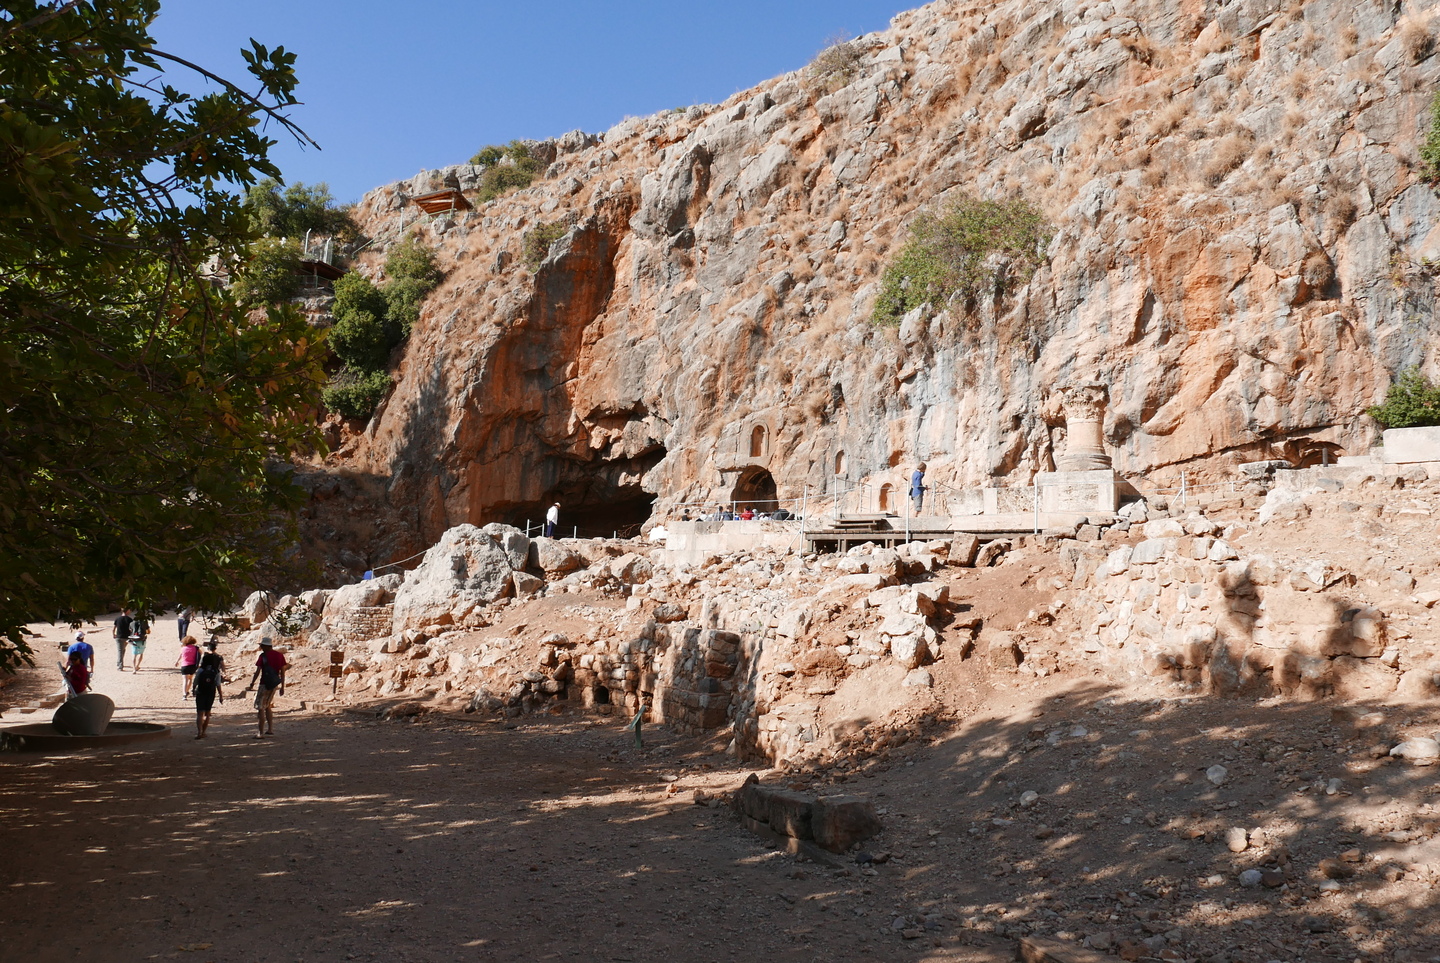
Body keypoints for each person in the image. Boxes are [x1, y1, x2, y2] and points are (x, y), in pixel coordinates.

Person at [245, 638, 287, 738]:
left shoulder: (263, 656)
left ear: (266, 646)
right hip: (274, 684)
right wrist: (282, 686)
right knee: (267, 705)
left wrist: (252, 683)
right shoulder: (279, 656)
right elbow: (283, 671)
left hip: (264, 683)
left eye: (262, 645)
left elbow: (258, 671)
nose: (261, 647)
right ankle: (270, 729)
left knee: (260, 707)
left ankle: (260, 733)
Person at [191, 639, 226, 739]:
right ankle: (204, 731)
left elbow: (196, 681)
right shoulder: (216, 672)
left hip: (201, 691)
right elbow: (218, 684)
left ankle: (199, 731)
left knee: (199, 713)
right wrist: (220, 696)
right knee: (207, 713)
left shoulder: (201, 670)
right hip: (211, 692)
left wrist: (193, 689)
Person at [175, 635, 201, 699]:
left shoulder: (183, 648)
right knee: (190, 679)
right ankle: (187, 691)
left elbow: (180, 655)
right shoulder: (195, 648)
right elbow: (200, 654)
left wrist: (177, 661)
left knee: (185, 680)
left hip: (184, 665)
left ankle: (184, 694)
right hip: (193, 666)